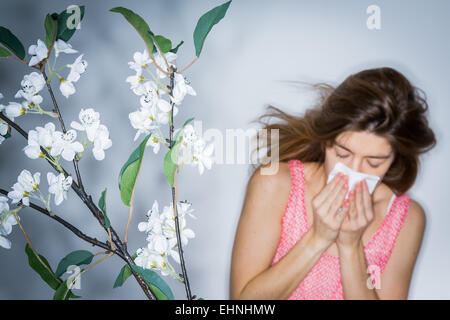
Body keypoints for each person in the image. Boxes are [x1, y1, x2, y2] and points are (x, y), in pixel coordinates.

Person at [229, 67, 436, 300]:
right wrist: (317, 238)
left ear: (395, 158)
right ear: (326, 140)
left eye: (374, 162)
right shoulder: (275, 183)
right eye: (343, 154)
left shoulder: (405, 218)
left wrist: (351, 247)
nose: (353, 171)